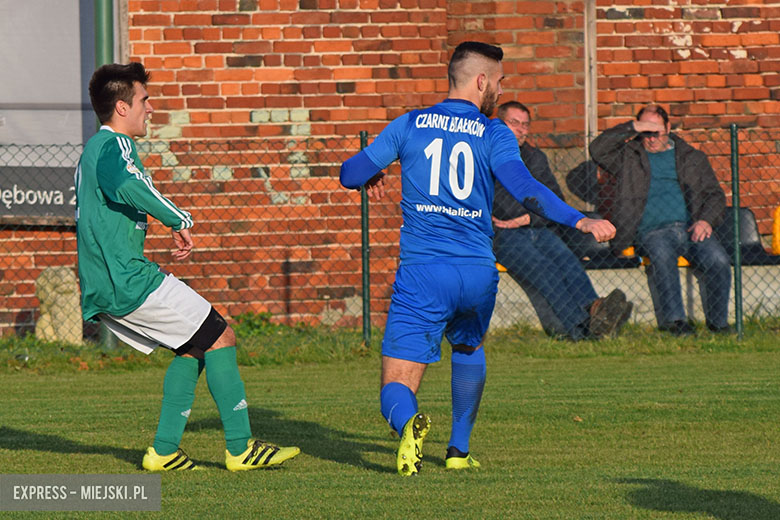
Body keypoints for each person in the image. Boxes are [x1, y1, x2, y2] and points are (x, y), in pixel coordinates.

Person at [340, 42, 616, 476]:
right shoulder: (494, 132)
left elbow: (349, 174)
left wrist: (373, 171)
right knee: (468, 346)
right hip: (477, 271)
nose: (501, 90)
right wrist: (579, 220)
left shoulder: (409, 124)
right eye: (501, 82)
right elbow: (526, 188)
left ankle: (409, 424)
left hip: (424, 271)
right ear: (482, 81)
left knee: (393, 385)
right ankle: (458, 451)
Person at [75, 62, 300, 471]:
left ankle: (163, 452)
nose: (150, 107)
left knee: (193, 347)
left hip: (110, 282)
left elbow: (120, 196)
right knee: (221, 334)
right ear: (122, 108)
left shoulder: (94, 150)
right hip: (128, 280)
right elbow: (130, 185)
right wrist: (178, 219)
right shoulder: (113, 146)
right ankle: (240, 447)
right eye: (144, 100)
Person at [492, 101, 632, 340]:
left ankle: (597, 309)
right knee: (544, 271)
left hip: (535, 226)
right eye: (514, 123)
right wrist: (508, 222)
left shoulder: (535, 158)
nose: (521, 129)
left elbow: (554, 197)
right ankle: (580, 330)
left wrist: (526, 219)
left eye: (525, 124)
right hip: (502, 234)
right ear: (499, 123)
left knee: (567, 261)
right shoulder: (488, 156)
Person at [589, 104, 732, 335]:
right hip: (651, 231)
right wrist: (632, 128)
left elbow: (715, 195)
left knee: (718, 260)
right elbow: (597, 149)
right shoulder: (628, 157)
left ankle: (718, 324)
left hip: (692, 227)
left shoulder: (692, 157)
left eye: (656, 130)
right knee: (662, 256)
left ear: (668, 127)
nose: (652, 138)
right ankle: (676, 323)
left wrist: (706, 220)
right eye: (646, 131)